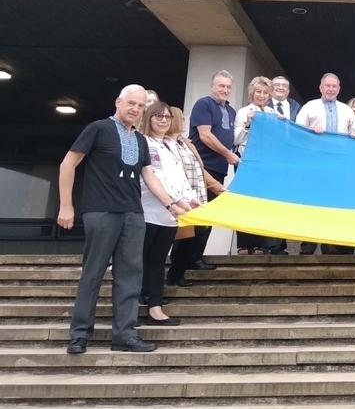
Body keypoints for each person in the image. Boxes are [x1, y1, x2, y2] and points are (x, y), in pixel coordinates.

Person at [58, 85, 189, 355]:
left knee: (130, 275)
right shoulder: (98, 128)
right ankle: (80, 334)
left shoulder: (141, 140)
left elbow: (150, 176)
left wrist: (171, 204)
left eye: (140, 106)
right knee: (93, 273)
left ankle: (125, 335)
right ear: (118, 101)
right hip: (101, 210)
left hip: (133, 213)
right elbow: (68, 164)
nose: (135, 110)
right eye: (131, 103)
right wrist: (66, 205)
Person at [169, 71, 236, 285]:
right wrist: (228, 154)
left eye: (228, 87)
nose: (224, 90)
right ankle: (176, 270)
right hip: (199, 170)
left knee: (206, 220)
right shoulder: (203, 104)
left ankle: (195, 258)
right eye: (221, 86)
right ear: (211, 86)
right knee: (192, 219)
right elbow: (205, 135)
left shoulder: (231, 110)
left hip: (219, 170)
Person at [138, 102, 200, 327]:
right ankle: (132, 307)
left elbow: (180, 176)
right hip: (148, 211)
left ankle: (155, 308)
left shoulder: (171, 145)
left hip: (171, 215)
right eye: (158, 117)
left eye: (166, 117)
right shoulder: (143, 141)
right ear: (149, 118)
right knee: (138, 261)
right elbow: (153, 176)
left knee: (156, 262)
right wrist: (175, 200)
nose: (163, 121)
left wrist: (190, 197)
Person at [294, 73, 355, 255]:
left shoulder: (346, 109)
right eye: (327, 86)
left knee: (333, 203)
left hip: (338, 164)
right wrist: (311, 131)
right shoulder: (309, 106)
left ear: (339, 89)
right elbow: (298, 130)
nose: (330, 89)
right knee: (312, 202)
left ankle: (329, 243)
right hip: (314, 163)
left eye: (334, 86)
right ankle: (308, 242)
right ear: (320, 88)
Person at [233, 76, 282, 255]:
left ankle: (262, 244)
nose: (261, 95)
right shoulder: (243, 111)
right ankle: (245, 244)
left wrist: (282, 124)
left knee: (263, 204)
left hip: (267, 164)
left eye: (265, 93)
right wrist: (247, 123)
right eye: (258, 92)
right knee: (245, 203)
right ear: (251, 93)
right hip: (247, 162)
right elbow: (236, 139)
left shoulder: (273, 113)